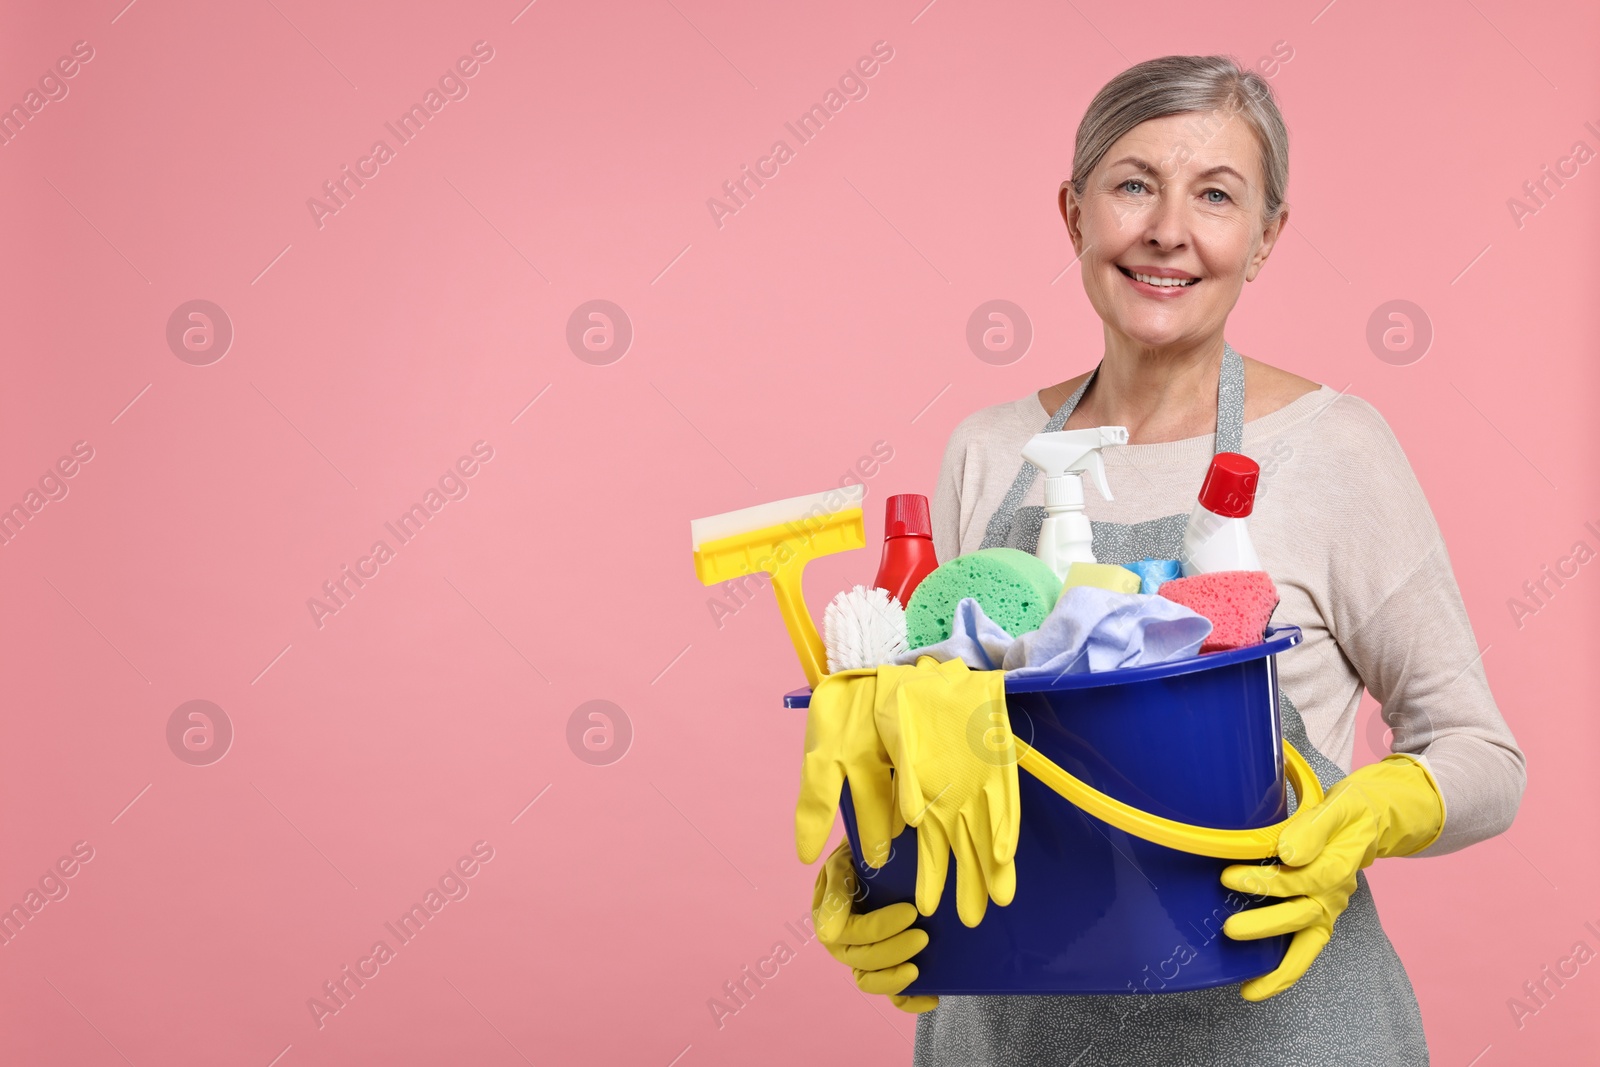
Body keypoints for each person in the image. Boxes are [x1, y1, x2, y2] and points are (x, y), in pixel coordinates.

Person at [809, 54, 1525, 1065]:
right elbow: (939, 733)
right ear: (1073, 213)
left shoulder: (1333, 449)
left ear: (1266, 236)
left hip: (1281, 1027)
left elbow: (1482, 755)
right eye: (1134, 183)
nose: (1167, 230)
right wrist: (878, 862)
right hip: (1015, 1032)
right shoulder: (990, 449)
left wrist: (1374, 810)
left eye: (1216, 195)